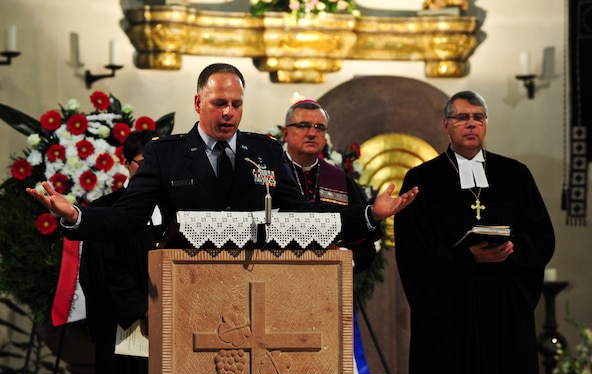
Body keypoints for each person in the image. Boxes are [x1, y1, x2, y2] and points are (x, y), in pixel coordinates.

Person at [27, 63, 418, 247]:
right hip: (187, 279)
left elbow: (303, 212)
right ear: (198, 102)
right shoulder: (166, 154)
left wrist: (369, 214)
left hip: (256, 279)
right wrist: (76, 215)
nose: (228, 112)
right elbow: (129, 216)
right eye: (218, 103)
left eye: (236, 103)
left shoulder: (263, 151)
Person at [393, 90, 555, 374]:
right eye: (462, 117)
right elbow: (413, 246)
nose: (471, 124)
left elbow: (542, 234)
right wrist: (468, 258)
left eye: (478, 118)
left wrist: (511, 249)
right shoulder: (423, 179)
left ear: (486, 124)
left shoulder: (515, 175)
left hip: (503, 304)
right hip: (449, 307)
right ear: (446, 124)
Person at [80, 131, 162, 374]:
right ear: (126, 164)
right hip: (122, 327)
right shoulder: (106, 209)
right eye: (144, 162)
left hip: (171, 322)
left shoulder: (176, 209)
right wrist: (144, 307)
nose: (152, 169)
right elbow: (101, 270)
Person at [281, 98, 380, 273]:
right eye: (304, 125)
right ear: (285, 133)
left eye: (319, 128)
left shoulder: (340, 178)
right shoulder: (270, 174)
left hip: (331, 283)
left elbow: (366, 244)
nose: (312, 133)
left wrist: (341, 258)